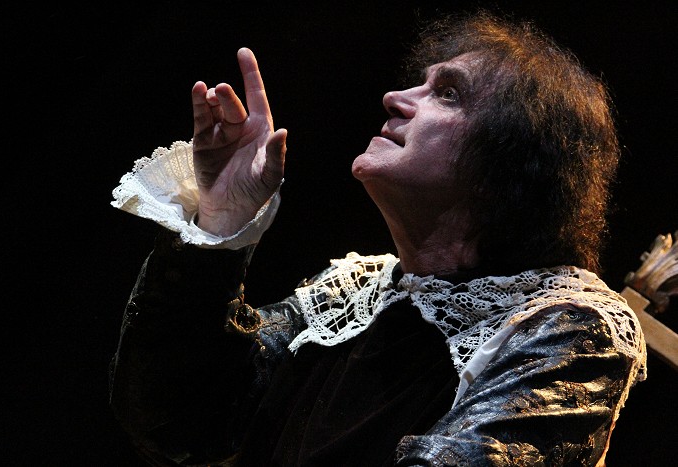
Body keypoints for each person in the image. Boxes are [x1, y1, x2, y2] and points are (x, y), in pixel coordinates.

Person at [109, 11, 647, 466]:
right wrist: (220, 223)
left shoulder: (569, 324)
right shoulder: (352, 292)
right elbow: (177, 419)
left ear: (511, 159)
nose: (394, 97)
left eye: (448, 94)